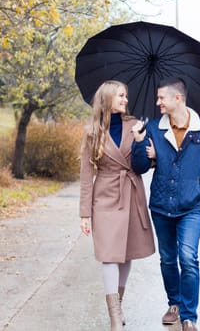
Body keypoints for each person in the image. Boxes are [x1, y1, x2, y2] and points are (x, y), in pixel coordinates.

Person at [131, 76, 200, 331]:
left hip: (191, 208)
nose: (157, 102)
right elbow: (140, 167)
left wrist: (199, 190)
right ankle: (174, 304)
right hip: (161, 205)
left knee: (188, 257)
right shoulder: (153, 128)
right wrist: (141, 144)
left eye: (161, 98)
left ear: (177, 98)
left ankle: (189, 317)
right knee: (167, 259)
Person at [79, 80, 155, 331]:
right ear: (108, 98)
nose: (125, 100)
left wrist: (141, 143)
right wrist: (84, 214)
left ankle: (118, 306)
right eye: (121, 96)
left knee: (127, 254)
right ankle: (114, 319)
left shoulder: (135, 125)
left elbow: (143, 166)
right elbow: (86, 175)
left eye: (126, 96)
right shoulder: (92, 131)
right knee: (109, 256)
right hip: (105, 197)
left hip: (131, 193)